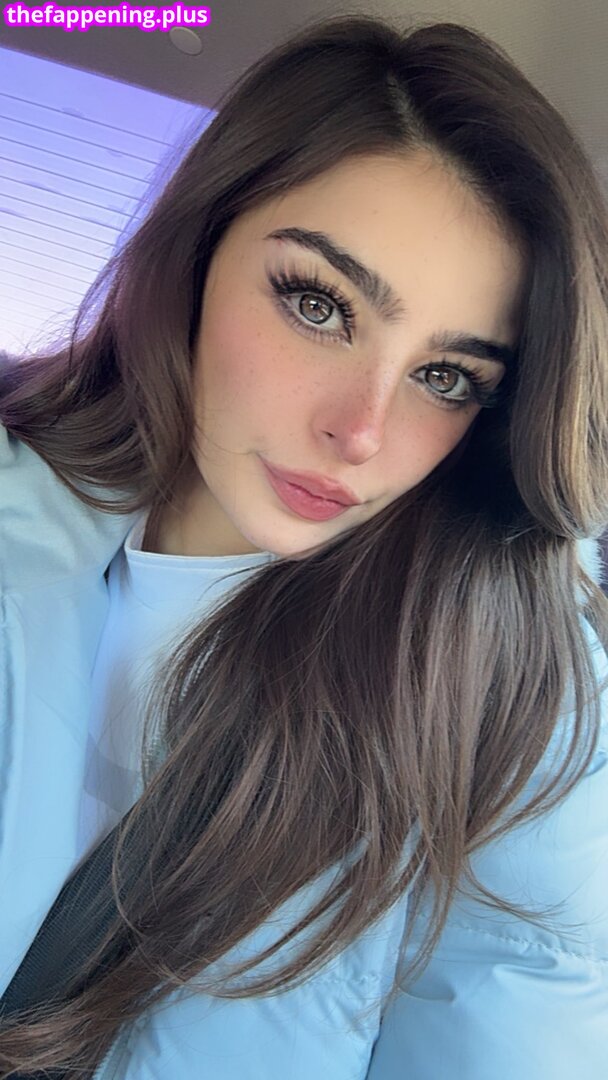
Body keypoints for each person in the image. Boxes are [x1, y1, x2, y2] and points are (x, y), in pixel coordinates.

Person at [0, 13, 607, 1079]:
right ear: (198, 250)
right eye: (319, 305)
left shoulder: (519, 699)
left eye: (446, 377)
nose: (360, 431)